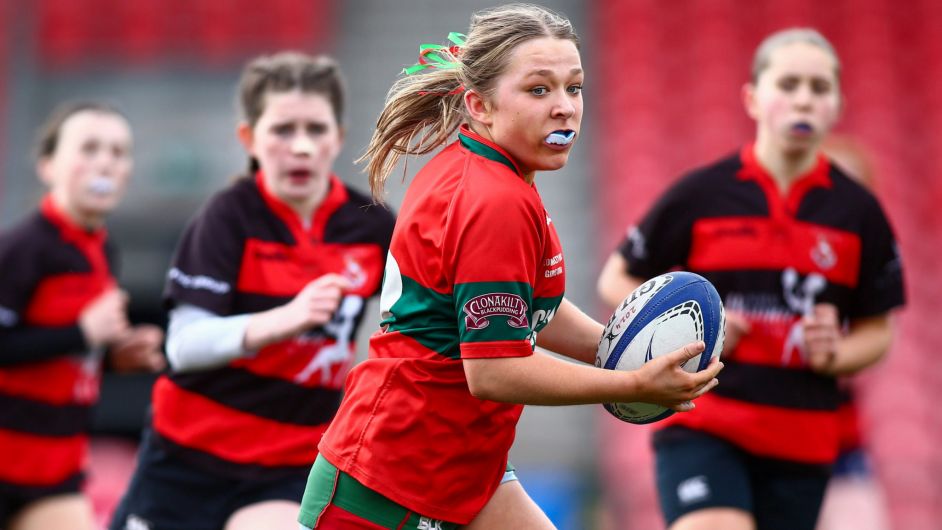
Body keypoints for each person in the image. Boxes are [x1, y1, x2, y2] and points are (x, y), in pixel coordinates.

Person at [298, 4, 723, 530]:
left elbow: (530, 309)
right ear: (479, 105)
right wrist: (630, 384)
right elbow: (494, 369)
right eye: (539, 90)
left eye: (575, 87)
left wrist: (619, 351)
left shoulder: (491, 172)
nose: (565, 107)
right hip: (392, 480)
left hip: (460, 463)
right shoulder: (493, 200)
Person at [597, 28, 905, 530]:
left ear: (837, 104)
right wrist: (702, 325)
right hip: (705, 424)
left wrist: (837, 353)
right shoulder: (701, 193)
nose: (804, 98)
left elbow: (878, 331)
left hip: (803, 441)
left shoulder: (860, 213)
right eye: (788, 84)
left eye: (819, 87)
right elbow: (618, 278)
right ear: (753, 99)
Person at [108, 52, 395, 530]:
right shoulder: (228, 217)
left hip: (289, 464)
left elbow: (422, 317)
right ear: (249, 138)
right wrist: (285, 319)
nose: (301, 147)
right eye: (283, 130)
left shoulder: (371, 227)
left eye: (316, 129)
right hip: (186, 459)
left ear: (339, 137)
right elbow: (183, 345)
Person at [0, 102, 165, 530]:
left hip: (54, 472)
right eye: (89, 148)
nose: (105, 162)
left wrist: (115, 357)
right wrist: (82, 332)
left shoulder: (101, 250)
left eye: (118, 151)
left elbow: (57, 354)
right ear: (47, 166)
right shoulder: (23, 248)